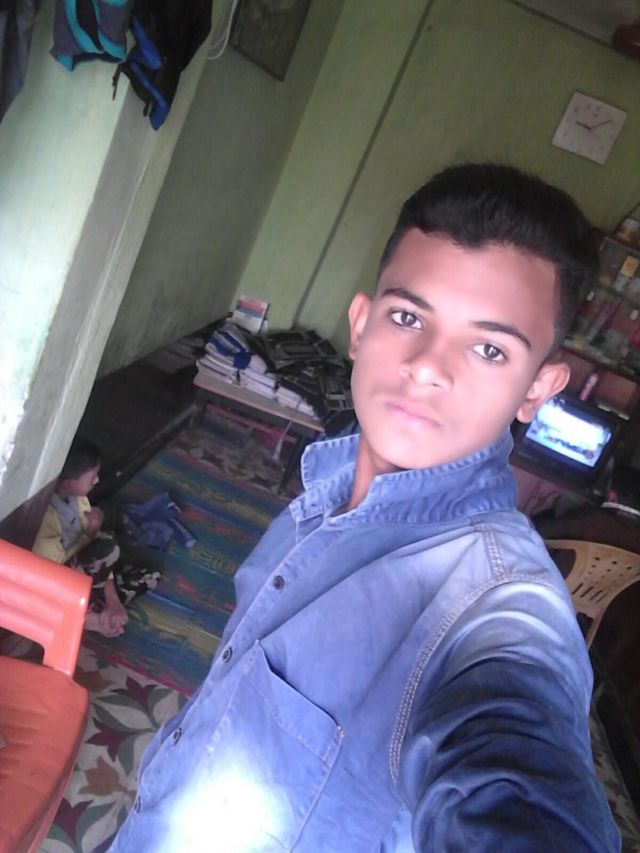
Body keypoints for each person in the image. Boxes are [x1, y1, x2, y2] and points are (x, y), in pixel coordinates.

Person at [111, 164, 620, 851]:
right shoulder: (323, 491)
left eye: (489, 348)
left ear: (537, 389)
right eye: (408, 317)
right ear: (361, 325)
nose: (428, 365)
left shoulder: (499, 609)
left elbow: (519, 772)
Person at [33, 437, 160, 637]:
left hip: (85, 577)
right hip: (57, 587)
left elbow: (99, 559)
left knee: (149, 578)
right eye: (92, 477)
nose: (97, 481)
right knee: (107, 546)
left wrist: (113, 602)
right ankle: (84, 619)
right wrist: (90, 532)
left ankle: (99, 612)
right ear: (68, 483)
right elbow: (52, 570)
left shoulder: (78, 500)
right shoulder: (44, 517)